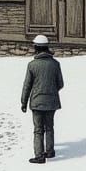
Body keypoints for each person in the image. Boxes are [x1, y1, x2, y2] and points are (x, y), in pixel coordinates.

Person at [20, 34, 64, 164]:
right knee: (50, 127)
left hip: (37, 102)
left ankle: (39, 155)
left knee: (38, 129)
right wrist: (51, 90)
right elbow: (60, 83)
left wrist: (23, 102)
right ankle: (50, 151)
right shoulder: (55, 64)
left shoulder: (32, 65)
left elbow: (27, 86)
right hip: (52, 101)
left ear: (36, 47)